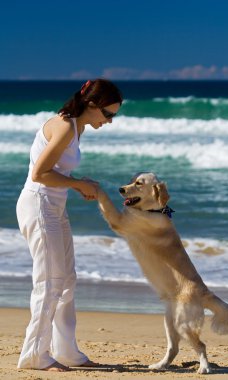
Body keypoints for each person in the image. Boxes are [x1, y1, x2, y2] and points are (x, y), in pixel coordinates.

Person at [16, 79, 122, 372]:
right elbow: (39, 173)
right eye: (108, 114)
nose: (110, 121)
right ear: (91, 105)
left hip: (53, 206)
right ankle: (34, 355)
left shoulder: (79, 127)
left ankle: (67, 352)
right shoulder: (64, 126)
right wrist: (78, 185)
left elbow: (57, 170)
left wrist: (78, 185)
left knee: (67, 280)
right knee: (50, 281)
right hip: (38, 205)